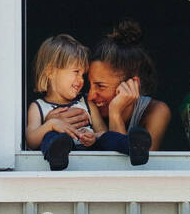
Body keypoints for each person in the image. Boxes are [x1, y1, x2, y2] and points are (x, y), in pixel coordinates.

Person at [24, 32, 151, 169]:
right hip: (66, 153)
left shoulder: (87, 103)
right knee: (51, 137)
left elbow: (104, 132)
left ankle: (134, 148)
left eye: (82, 74)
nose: (81, 81)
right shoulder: (38, 107)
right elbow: (31, 140)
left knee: (108, 138)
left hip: (92, 155)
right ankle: (57, 157)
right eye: (76, 72)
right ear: (50, 72)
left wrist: (94, 137)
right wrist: (51, 124)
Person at [86, 19, 171, 159]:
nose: (90, 96)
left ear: (132, 83)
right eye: (90, 85)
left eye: (100, 86)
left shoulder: (156, 112)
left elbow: (134, 169)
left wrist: (115, 113)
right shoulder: (84, 106)